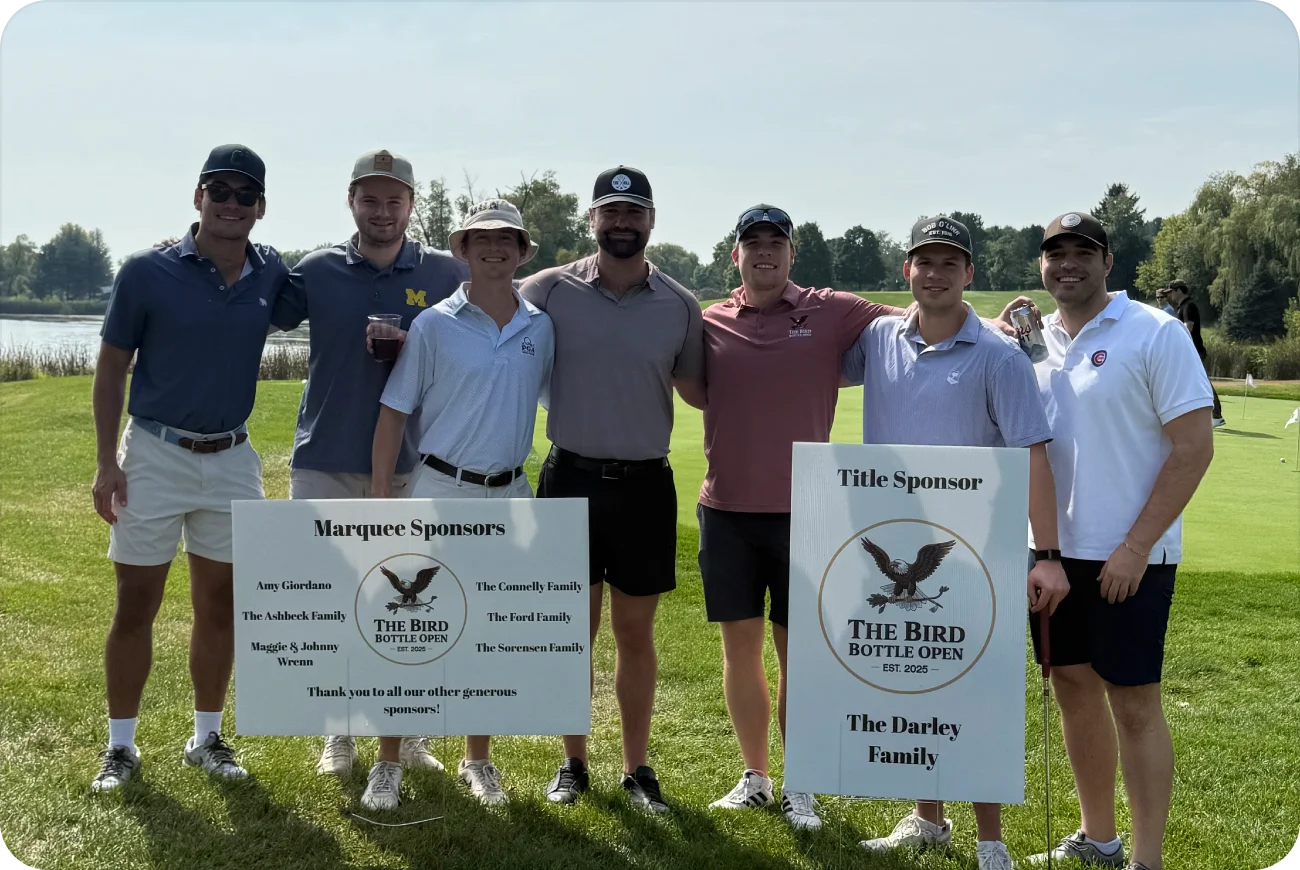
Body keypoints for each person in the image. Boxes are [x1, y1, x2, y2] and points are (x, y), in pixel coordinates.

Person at [842, 215, 1071, 870]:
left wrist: (1048, 556)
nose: (935, 273)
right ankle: (928, 819)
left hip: (977, 549)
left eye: (950, 263)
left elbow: (1033, 456)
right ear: (906, 270)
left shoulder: (999, 356)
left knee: (976, 692)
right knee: (913, 681)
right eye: (924, 261)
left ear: (970, 273)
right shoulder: (878, 341)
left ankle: (991, 839)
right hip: (894, 538)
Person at [90, 145, 290, 792]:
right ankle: (121, 746)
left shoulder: (272, 276)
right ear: (197, 196)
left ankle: (206, 736)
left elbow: (346, 283)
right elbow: (112, 367)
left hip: (232, 458)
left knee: (223, 605)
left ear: (260, 208)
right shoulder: (147, 271)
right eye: (219, 190)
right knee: (136, 604)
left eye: (243, 194)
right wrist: (104, 465)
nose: (230, 203)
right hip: (152, 454)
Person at [269, 149, 469, 794]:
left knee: (406, 602)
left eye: (395, 200)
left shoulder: (445, 271)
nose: (382, 212)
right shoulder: (317, 270)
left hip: (415, 463)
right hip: (325, 456)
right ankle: (340, 730)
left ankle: (408, 732)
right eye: (370, 199)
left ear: (412, 204)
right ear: (351, 202)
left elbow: (502, 305)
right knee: (331, 599)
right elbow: (254, 297)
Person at [1019, 212, 1213, 870]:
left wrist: (1135, 546)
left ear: (1109, 261)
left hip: (1132, 556)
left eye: (1082, 251)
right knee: (1074, 687)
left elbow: (1193, 448)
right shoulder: (1032, 339)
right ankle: (1098, 837)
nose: (1066, 264)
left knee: (1133, 704)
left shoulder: (1153, 332)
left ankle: (1147, 861)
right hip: (1051, 555)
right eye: (1054, 253)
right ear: (1041, 265)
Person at [698, 205, 902, 830]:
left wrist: (992, 321)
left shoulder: (831, 309)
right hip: (725, 509)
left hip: (806, 513)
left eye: (776, 243)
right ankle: (756, 775)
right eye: (752, 243)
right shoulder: (710, 320)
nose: (764, 252)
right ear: (735, 254)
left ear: (792, 253)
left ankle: (801, 781)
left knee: (800, 657)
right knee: (741, 651)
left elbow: (915, 316)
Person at [518, 166, 705, 814]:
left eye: (633, 212)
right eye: (610, 212)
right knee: (574, 630)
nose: (621, 223)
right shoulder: (547, 290)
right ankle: (573, 762)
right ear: (591, 220)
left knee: (634, 632)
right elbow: (478, 316)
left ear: (651, 221)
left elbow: (703, 388)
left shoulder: (680, 305)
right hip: (569, 476)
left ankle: (636, 768)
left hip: (645, 486)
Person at [371, 199, 553, 810]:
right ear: (463, 250)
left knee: (489, 630)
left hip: (510, 493)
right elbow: (394, 411)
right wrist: (379, 503)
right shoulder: (434, 324)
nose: (494, 249)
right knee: (408, 624)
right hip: (439, 489)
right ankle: (387, 762)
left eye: (507, 240)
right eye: (481, 240)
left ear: (523, 251)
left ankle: (478, 759)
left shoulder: (539, 326)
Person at [1164, 279, 1225, 427]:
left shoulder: (1188, 306)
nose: (1169, 296)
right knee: (1190, 383)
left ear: (1178, 290)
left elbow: (1187, 329)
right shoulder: (1182, 307)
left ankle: (1216, 416)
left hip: (1194, 351)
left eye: (1170, 292)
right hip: (1189, 351)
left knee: (1203, 384)